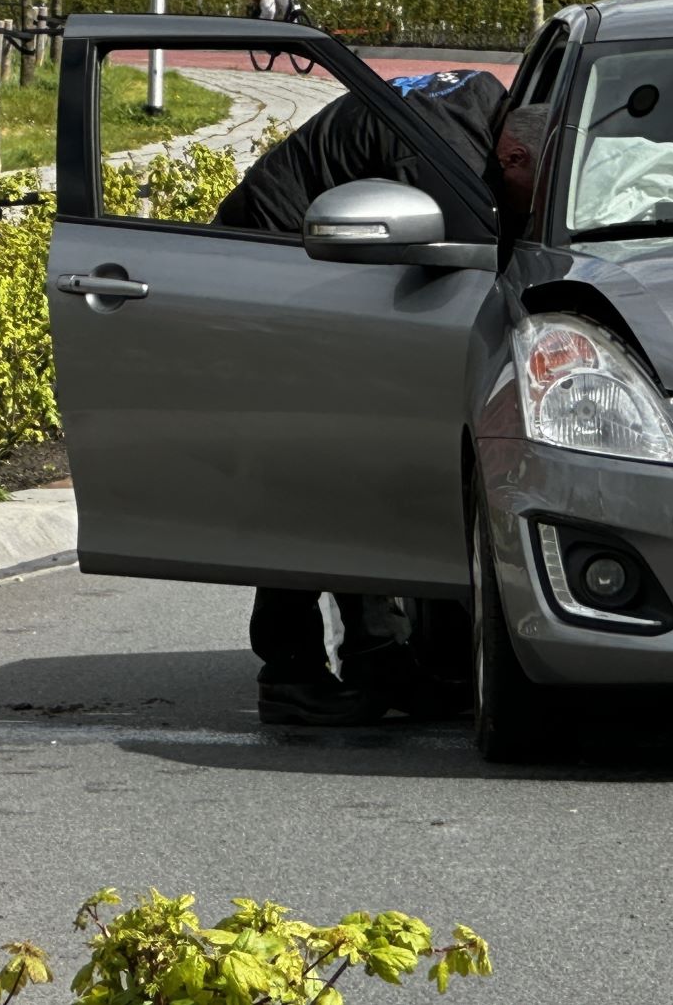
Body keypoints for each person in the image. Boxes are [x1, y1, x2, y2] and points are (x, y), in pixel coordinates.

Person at [213, 69, 548, 725]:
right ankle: (291, 673)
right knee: (311, 474)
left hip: (323, 278)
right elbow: (475, 282)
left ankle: (379, 658)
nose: (529, 210)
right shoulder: (446, 151)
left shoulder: (485, 105)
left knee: (353, 467)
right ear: (512, 157)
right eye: (532, 194)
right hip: (268, 277)